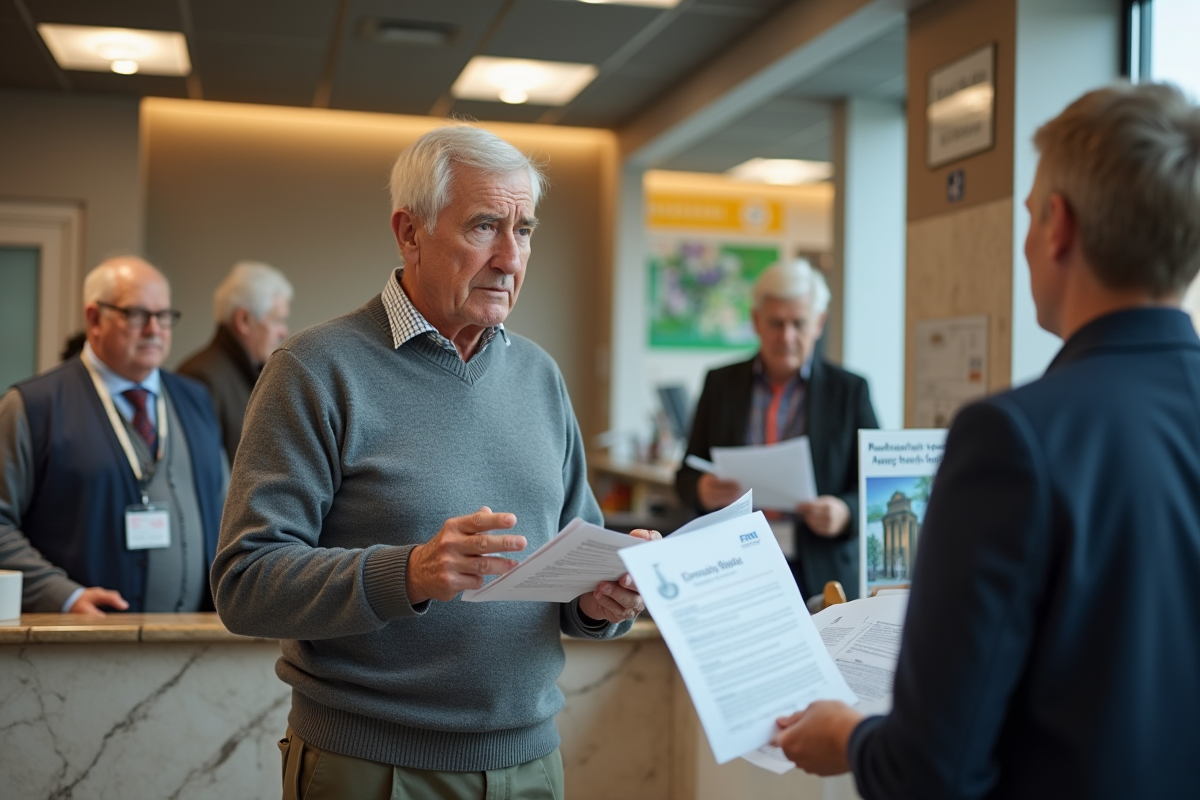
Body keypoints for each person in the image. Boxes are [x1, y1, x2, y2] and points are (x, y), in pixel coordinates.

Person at [774, 83, 1200, 799]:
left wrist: (848, 736)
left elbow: (933, 768)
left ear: (1058, 227)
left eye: (1030, 213)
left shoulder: (1014, 439)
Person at [211, 125, 654, 800]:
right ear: (409, 232)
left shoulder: (540, 376)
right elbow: (245, 584)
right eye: (484, 226)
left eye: (524, 230)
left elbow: (572, 571)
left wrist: (601, 599)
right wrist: (411, 572)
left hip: (532, 762)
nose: (510, 257)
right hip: (373, 765)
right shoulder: (314, 369)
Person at [0, 256, 226, 614]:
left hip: (195, 635)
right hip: (81, 637)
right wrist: (63, 596)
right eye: (136, 314)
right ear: (94, 319)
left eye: (163, 315)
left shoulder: (196, 400)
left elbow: (226, 509)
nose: (154, 329)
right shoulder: (33, 407)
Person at [675, 259, 878, 600]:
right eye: (776, 323)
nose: (787, 336)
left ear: (819, 323)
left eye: (799, 323)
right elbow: (685, 473)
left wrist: (845, 513)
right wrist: (701, 489)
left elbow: (874, 487)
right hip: (732, 563)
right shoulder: (720, 384)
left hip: (819, 570)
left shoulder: (850, 391)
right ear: (756, 321)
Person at [177, 261, 292, 461]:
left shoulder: (254, 373)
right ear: (243, 320)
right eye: (277, 320)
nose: (284, 331)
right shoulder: (199, 379)